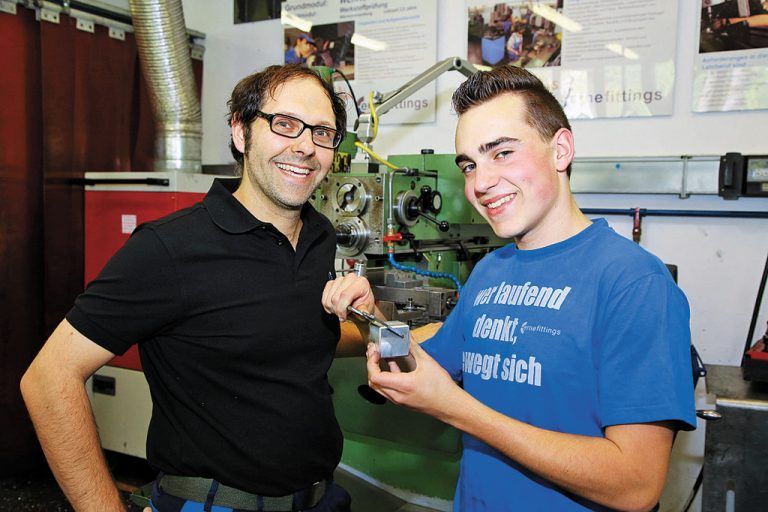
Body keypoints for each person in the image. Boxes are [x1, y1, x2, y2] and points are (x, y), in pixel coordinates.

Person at [20, 64, 374, 512]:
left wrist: (368, 319)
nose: (305, 146)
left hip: (321, 497)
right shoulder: (170, 247)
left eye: (322, 132)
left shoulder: (321, 236)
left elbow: (293, 331)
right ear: (241, 132)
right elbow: (48, 379)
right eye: (284, 124)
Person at [366, 66, 696, 511]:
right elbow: (430, 366)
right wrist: (376, 321)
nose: (480, 184)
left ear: (560, 149)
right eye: (469, 164)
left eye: (501, 153)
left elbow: (635, 485)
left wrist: (458, 411)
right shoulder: (490, 270)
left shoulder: (633, 283)